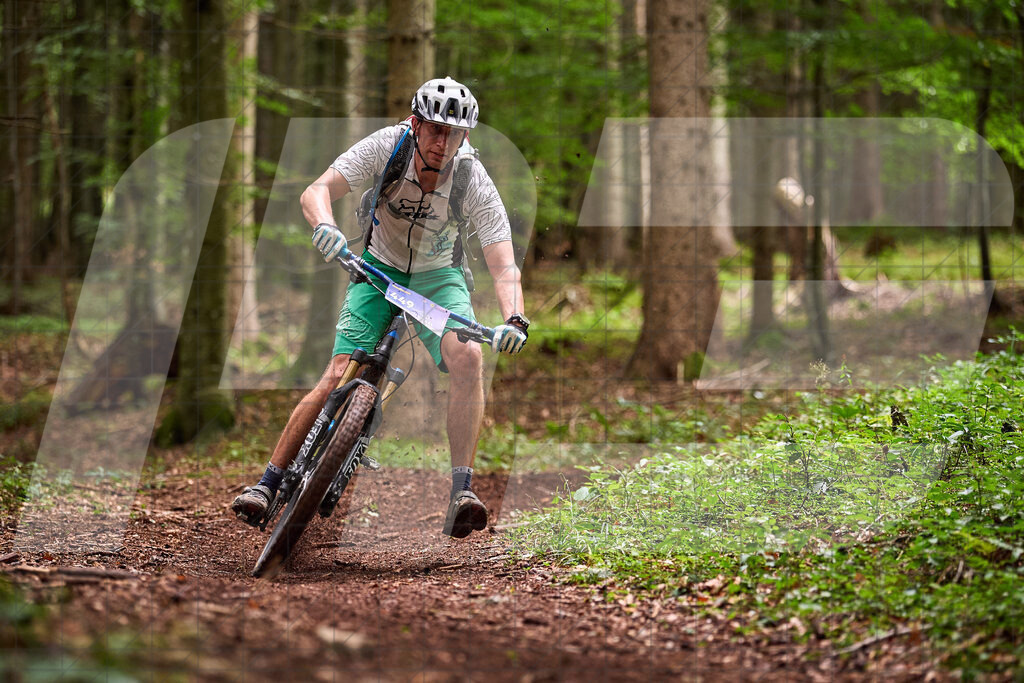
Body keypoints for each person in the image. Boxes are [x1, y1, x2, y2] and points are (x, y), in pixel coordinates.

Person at [232, 77, 529, 538]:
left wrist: (513, 318)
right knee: (336, 374)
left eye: (453, 133)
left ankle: (462, 491)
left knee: (469, 356)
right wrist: (325, 226)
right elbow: (316, 191)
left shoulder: (473, 178)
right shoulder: (386, 147)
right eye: (433, 129)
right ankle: (268, 483)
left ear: (466, 136)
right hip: (378, 267)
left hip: (438, 280)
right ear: (414, 124)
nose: (441, 141)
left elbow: (503, 262)